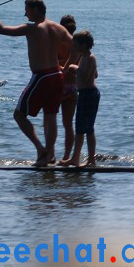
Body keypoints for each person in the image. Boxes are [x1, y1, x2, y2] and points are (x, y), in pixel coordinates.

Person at [0, 0, 72, 167]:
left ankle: (41, 149)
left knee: (18, 115)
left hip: (42, 76)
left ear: (36, 9)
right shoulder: (58, 28)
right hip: (57, 76)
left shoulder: (33, 29)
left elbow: (0, 29)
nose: (25, 15)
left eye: (27, 11)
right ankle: (49, 155)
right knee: (50, 116)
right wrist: (65, 68)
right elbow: (77, 47)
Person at [60, 30, 100, 168]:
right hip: (83, 93)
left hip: (90, 94)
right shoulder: (83, 57)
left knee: (88, 128)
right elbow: (92, 74)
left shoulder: (90, 57)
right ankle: (74, 158)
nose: (74, 46)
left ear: (83, 44)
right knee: (79, 128)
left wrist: (74, 68)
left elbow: (88, 77)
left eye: (76, 44)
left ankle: (91, 159)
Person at [57, 14, 78, 164]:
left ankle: (50, 154)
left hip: (58, 85)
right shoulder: (78, 45)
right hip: (72, 87)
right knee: (68, 124)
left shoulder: (57, 43)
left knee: (49, 119)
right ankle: (66, 156)